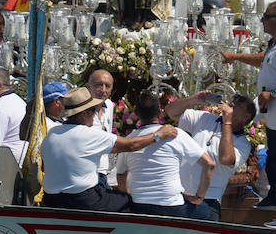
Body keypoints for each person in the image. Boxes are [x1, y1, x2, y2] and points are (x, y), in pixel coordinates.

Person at [220, 0, 276, 231]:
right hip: (275, 118)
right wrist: (235, 56)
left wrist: (274, 93)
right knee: (275, 162)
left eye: (266, 17)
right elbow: (263, 60)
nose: (261, 21)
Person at [41, 89, 175, 212]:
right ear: (84, 113)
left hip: (51, 199)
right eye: (93, 110)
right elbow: (131, 145)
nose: (95, 114)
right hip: (83, 200)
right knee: (129, 201)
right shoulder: (89, 135)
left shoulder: (52, 133)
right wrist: (159, 134)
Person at [113, 88, 214, 217]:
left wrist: (130, 197)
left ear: (136, 113)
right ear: (160, 111)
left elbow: (121, 175)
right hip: (172, 207)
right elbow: (209, 164)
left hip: (139, 206)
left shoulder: (129, 140)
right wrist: (199, 197)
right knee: (208, 211)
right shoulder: (176, 134)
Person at [178, 94, 254, 221]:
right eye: (233, 101)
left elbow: (225, 158)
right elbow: (171, 112)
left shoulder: (243, 144)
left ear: (246, 117)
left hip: (207, 202)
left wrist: (227, 122)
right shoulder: (206, 118)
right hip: (180, 195)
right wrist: (194, 99)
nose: (232, 104)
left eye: (238, 105)